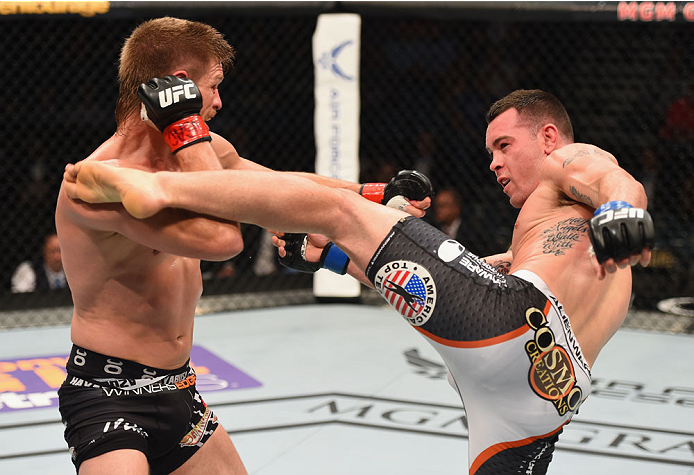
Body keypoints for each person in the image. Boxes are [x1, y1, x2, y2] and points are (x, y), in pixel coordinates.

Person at [62, 89, 654, 474]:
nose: (494, 162)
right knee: (362, 238)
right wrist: (339, 263)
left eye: (505, 145)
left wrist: (622, 210)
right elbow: (449, 291)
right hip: (546, 399)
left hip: (519, 333)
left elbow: (613, 178)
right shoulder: (565, 244)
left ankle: (158, 188)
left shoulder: (568, 159)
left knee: (339, 215)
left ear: (548, 137)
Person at [54, 17, 430, 475]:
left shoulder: (202, 153)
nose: (218, 101)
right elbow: (222, 239)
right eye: (212, 86)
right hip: (106, 394)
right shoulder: (95, 184)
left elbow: (280, 186)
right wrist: (187, 130)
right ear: (178, 86)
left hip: (179, 387)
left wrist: (374, 194)